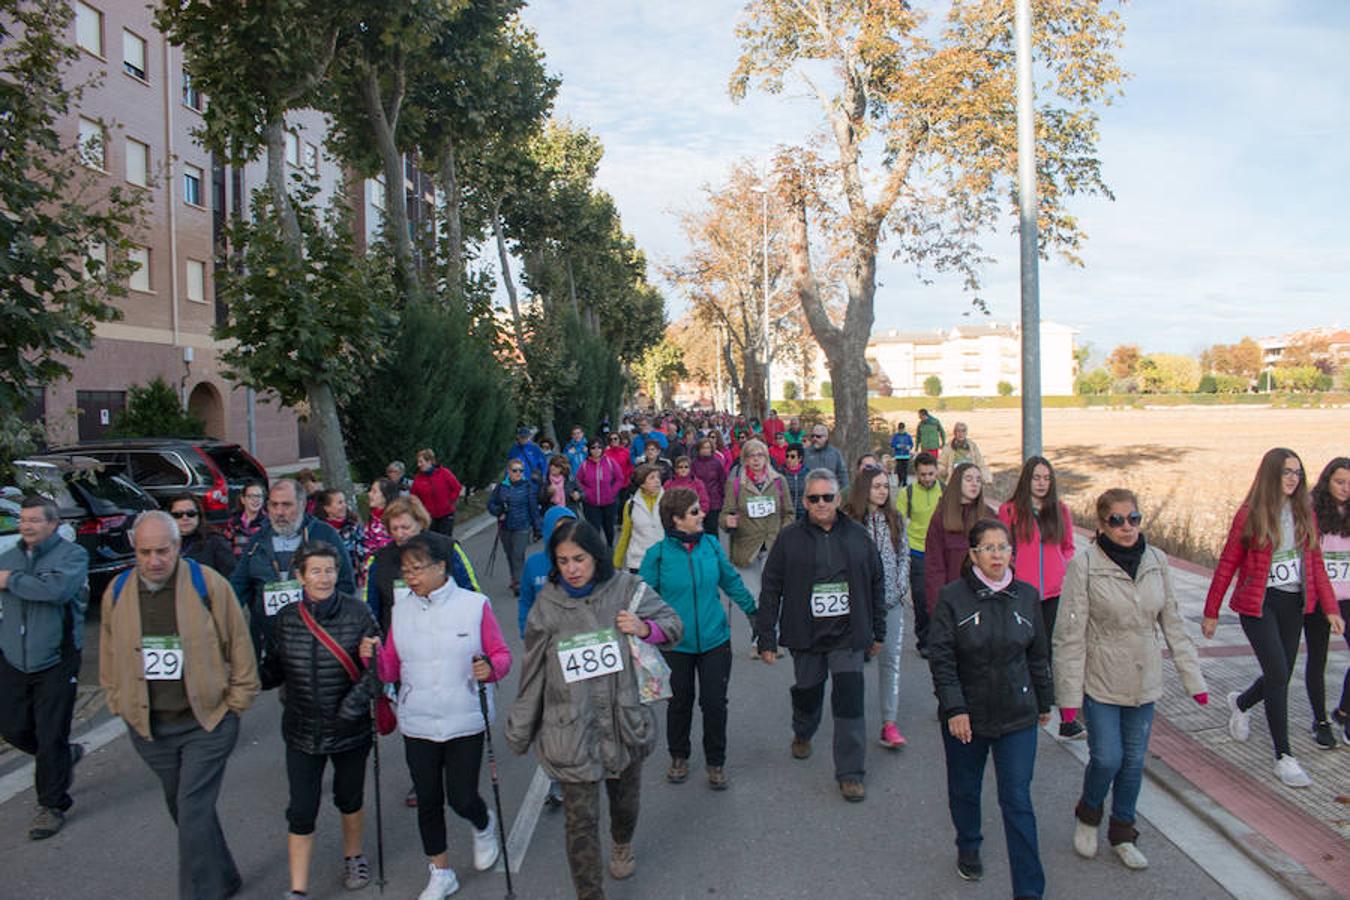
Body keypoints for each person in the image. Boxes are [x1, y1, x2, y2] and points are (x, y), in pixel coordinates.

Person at [506, 519, 683, 900]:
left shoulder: (627, 589)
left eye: (579, 559)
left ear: (596, 556)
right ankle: (589, 893)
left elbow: (673, 624)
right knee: (580, 822)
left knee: (625, 803)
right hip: (571, 730)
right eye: (563, 560)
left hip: (623, 721)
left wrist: (642, 627)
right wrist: (521, 727)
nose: (572, 568)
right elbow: (532, 672)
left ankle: (622, 842)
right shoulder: (547, 606)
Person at [100, 510, 259, 897]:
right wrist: (118, 699)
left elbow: (239, 643)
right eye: (145, 552)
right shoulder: (118, 592)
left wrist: (237, 700)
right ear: (134, 551)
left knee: (191, 811)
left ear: (178, 547)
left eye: (163, 551)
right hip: (152, 729)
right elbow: (108, 653)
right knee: (187, 811)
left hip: (207, 723)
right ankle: (224, 877)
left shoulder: (208, 585)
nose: (154, 561)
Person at [1055, 489, 1208, 871]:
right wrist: (1068, 698)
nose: (1127, 528)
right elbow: (1069, 635)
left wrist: (1194, 679)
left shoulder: (1156, 560)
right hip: (1101, 679)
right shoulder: (1085, 565)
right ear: (1102, 525)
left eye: (1134, 518)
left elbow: (1172, 621)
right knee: (1107, 758)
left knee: (1133, 762)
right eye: (1117, 521)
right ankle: (1089, 813)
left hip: (1145, 681)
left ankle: (1123, 832)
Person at [363, 535, 512, 900]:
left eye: (418, 568)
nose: (411, 577)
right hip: (418, 719)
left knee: (461, 797)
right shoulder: (400, 610)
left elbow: (501, 655)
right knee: (428, 799)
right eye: (406, 570)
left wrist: (489, 668)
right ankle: (440, 872)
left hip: (465, 716)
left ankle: (482, 823)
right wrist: (374, 655)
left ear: (441, 567)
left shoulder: (475, 606)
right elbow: (390, 668)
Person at [1203, 448, 1343, 787]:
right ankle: (1284, 756)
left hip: (1293, 604)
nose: (1294, 478)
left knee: (1279, 672)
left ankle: (1242, 701)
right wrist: (1211, 612)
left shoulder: (1305, 513)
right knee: (1279, 673)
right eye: (1286, 472)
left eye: (1297, 472)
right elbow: (1227, 564)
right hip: (1259, 604)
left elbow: (1317, 568)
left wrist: (1331, 608)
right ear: (1270, 475)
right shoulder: (1250, 514)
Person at [928, 518, 1051, 898]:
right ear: (973, 555)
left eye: (1004, 547)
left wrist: (1044, 700)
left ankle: (1029, 890)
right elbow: (942, 659)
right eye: (989, 548)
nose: (998, 555)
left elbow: (1039, 654)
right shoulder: (953, 597)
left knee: (1017, 800)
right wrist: (955, 708)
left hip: (1018, 715)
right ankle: (969, 844)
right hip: (968, 716)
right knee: (965, 789)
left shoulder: (1028, 596)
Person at [756, 469, 884, 800]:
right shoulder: (789, 538)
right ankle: (803, 730)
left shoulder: (857, 536)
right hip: (806, 635)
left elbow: (876, 584)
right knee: (808, 693)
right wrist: (766, 636)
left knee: (849, 702)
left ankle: (850, 772)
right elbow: (770, 587)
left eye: (828, 497)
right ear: (805, 501)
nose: (822, 504)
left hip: (849, 635)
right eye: (814, 498)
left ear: (838, 499)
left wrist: (877, 631)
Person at [260, 541, 379, 898]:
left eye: (329, 570)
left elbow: (377, 670)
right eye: (316, 571)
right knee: (301, 809)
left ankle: (354, 855)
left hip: (350, 729)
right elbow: (274, 671)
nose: (324, 578)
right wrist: (243, 674)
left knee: (349, 796)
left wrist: (348, 711)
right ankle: (297, 888)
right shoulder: (285, 619)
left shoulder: (359, 614)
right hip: (301, 731)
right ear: (300, 576)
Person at [640, 488, 756, 789]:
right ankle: (679, 755)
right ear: (676, 519)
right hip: (675, 644)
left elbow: (730, 580)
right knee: (680, 703)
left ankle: (716, 762)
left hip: (715, 639)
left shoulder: (712, 546)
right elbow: (643, 600)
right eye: (694, 512)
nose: (702, 514)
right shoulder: (658, 555)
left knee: (715, 703)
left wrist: (755, 613)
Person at [0, 495, 90, 840]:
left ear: (53, 524)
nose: (27, 526)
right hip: (12, 659)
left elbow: (56, 589)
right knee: (12, 728)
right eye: (23, 520)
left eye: (35, 520)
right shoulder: (8, 557)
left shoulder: (72, 555)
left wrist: (12, 581)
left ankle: (51, 805)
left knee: (50, 732)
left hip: (56, 658)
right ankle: (62, 757)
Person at [998, 457, 1080, 738]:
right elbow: (1003, 547)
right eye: (1036, 478)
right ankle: (1025, 705)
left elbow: (1069, 547)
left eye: (1046, 478)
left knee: (1057, 652)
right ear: (1026, 480)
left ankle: (1067, 718)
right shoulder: (1009, 510)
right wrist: (1013, 571)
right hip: (1023, 592)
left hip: (1055, 593)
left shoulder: (1061, 511)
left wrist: (1062, 566)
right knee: (1027, 649)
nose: (1042, 483)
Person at [230, 479, 356, 661]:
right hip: (271, 644)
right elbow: (238, 586)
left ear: (302, 504)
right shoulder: (257, 541)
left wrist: (335, 628)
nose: (279, 512)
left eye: (286, 505)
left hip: (317, 641)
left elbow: (346, 584)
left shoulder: (324, 535)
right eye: (274, 505)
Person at [844, 466, 911, 749]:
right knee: (854, 663)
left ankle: (889, 722)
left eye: (886, 486)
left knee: (891, 661)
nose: (883, 491)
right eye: (877, 486)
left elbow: (904, 555)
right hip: (859, 606)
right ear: (864, 489)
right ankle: (851, 719)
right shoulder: (850, 522)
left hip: (891, 603)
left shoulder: (895, 519)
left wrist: (900, 586)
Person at [364, 495, 480, 638]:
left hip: (448, 634)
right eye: (394, 528)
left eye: (405, 527)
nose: (400, 534)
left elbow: (471, 592)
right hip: (400, 641)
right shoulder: (379, 560)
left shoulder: (447, 548)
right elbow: (371, 608)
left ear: (420, 523)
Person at [721, 439, 790, 655]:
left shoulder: (779, 481)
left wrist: (784, 533)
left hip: (773, 544)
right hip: (746, 545)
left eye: (760, 455)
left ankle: (764, 641)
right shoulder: (735, 483)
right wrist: (727, 521)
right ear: (745, 460)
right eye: (752, 456)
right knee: (752, 596)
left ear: (766, 458)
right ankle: (759, 635)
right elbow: (725, 513)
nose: (756, 460)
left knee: (769, 594)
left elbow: (788, 512)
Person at [1310, 458, 1350, 745]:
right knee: (1318, 659)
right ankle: (1320, 721)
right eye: (1340, 482)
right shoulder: (1311, 512)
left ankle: (1344, 713)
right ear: (1327, 481)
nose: (1346, 488)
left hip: (1349, 597)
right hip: (1319, 598)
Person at [924, 462, 985, 617]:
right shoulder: (941, 519)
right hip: (954, 603)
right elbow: (934, 568)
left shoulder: (989, 516)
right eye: (969, 479)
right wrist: (938, 607)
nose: (974, 484)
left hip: (985, 601)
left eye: (978, 480)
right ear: (958, 482)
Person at [898, 453, 943, 658]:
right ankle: (924, 639)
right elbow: (899, 524)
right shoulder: (906, 493)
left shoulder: (944, 491)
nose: (927, 478)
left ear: (937, 471)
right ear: (916, 473)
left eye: (931, 474)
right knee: (921, 597)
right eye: (923, 474)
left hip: (940, 552)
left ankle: (940, 638)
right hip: (916, 551)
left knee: (941, 597)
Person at [489, 461, 541, 593]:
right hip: (505, 527)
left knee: (518, 554)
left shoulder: (528, 486)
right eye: (515, 470)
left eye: (521, 470)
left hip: (523, 526)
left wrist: (537, 528)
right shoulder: (501, 487)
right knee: (510, 554)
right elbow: (491, 504)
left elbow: (533, 508)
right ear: (508, 471)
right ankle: (515, 578)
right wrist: (499, 511)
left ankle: (519, 582)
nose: (518, 473)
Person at [614, 464, 666, 574]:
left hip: (664, 560)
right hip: (638, 562)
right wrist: (616, 563)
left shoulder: (669, 500)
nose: (657, 481)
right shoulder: (631, 505)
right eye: (652, 477)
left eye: (658, 477)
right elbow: (625, 535)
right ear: (642, 483)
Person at [170, 493, 235, 577]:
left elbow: (231, 576)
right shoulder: (164, 543)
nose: (185, 518)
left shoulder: (216, 541)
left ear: (199, 516)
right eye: (178, 515)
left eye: (191, 513)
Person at [577, 440, 624, 546]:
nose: (596, 450)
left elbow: (619, 478)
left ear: (602, 449)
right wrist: (586, 492)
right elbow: (578, 481)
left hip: (609, 502)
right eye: (593, 448)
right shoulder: (584, 465)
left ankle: (610, 547)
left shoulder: (610, 462)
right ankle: (597, 551)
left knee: (609, 528)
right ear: (589, 450)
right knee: (594, 529)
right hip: (591, 504)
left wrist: (612, 492)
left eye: (599, 447)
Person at [315, 489, 367, 584]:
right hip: (329, 579)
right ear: (327, 508)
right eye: (339, 503)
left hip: (355, 579)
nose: (344, 505)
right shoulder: (320, 530)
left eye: (344, 502)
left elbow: (363, 548)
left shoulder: (353, 525)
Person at [410, 449, 463, 538]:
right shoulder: (418, 479)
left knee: (445, 541)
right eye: (418, 462)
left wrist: (449, 502)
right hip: (429, 517)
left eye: (421, 462)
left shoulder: (444, 473)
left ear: (429, 461)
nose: (418, 465)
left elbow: (456, 488)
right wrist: (420, 511)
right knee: (432, 542)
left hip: (446, 514)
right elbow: (414, 498)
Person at [692, 437, 727, 536]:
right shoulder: (694, 464)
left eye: (708, 448)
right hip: (699, 501)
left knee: (713, 531)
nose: (706, 450)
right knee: (698, 531)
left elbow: (722, 481)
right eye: (703, 448)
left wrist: (724, 498)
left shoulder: (717, 463)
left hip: (715, 501)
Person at [938, 422, 992, 486]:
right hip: (954, 481)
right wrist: (942, 472)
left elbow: (981, 464)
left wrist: (987, 478)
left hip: (971, 481)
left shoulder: (972, 446)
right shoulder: (948, 447)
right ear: (954, 433)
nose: (961, 433)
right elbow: (941, 464)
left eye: (963, 431)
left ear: (966, 433)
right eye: (958, 431)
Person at [225, 479, 267, 558]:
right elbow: (226, 548)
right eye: (251, 496)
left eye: (259, 496)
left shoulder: (268, 522)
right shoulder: (233, 522)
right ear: (243, 500)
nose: (255, 500)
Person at [363, 477, 401, 560]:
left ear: (385, 496)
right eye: (370, 491)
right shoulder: (372, 518)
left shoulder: (396, 522)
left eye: (374, 491)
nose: (369, 494)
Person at [803, 424, 849, 491]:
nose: (815, 438)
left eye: (818, 436)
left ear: (826, 437)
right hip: (811, 492)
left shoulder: (835, 453)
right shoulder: (805, 453)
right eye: (813, 436)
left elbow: (842, 475)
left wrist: (844, 492)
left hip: (830, 493)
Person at [779, 442, 810, 521]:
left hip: (804, 515)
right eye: (787, 456)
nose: (789, 459)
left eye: (792, 456)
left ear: (800, 458)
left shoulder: (808, 474)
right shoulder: (780, 474)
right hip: (786, 516)